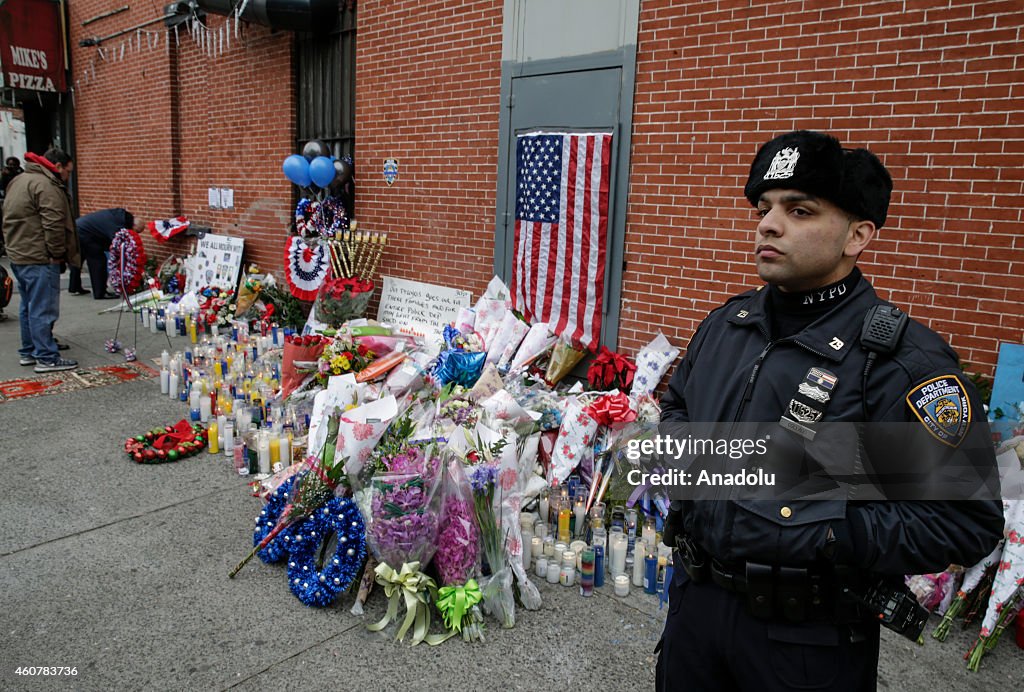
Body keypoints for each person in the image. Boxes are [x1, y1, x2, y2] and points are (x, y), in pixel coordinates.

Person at [654, 131, 1004, 691]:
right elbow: (675, 411)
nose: (768, 224)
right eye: (764, 208)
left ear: (858, 235)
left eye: (800, 210)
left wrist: (815, 524)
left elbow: (963, 521)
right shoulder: (726, 328)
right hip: (695, 614)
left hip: (804, 643)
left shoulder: (900, 362)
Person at [1, 148, 80, 372]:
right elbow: (53, 223)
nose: (67, 176)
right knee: (43, 308)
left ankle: (30, 351)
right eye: (67, 171)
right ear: (57, 166)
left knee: (29, 305)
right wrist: (56, 254)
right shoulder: (45, 185)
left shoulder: (19, 180)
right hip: (39, 257)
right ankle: (46, 356)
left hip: (20, 253)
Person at [74, 207, 139, 299]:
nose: (135, 233)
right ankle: (100, 293)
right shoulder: (117, 226)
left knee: (78, 258)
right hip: (85, 233)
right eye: (137, 231)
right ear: (133, 226)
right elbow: (116, 244)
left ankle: (74, 286)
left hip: (79, 228)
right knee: (98, 261)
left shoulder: (119, 216)